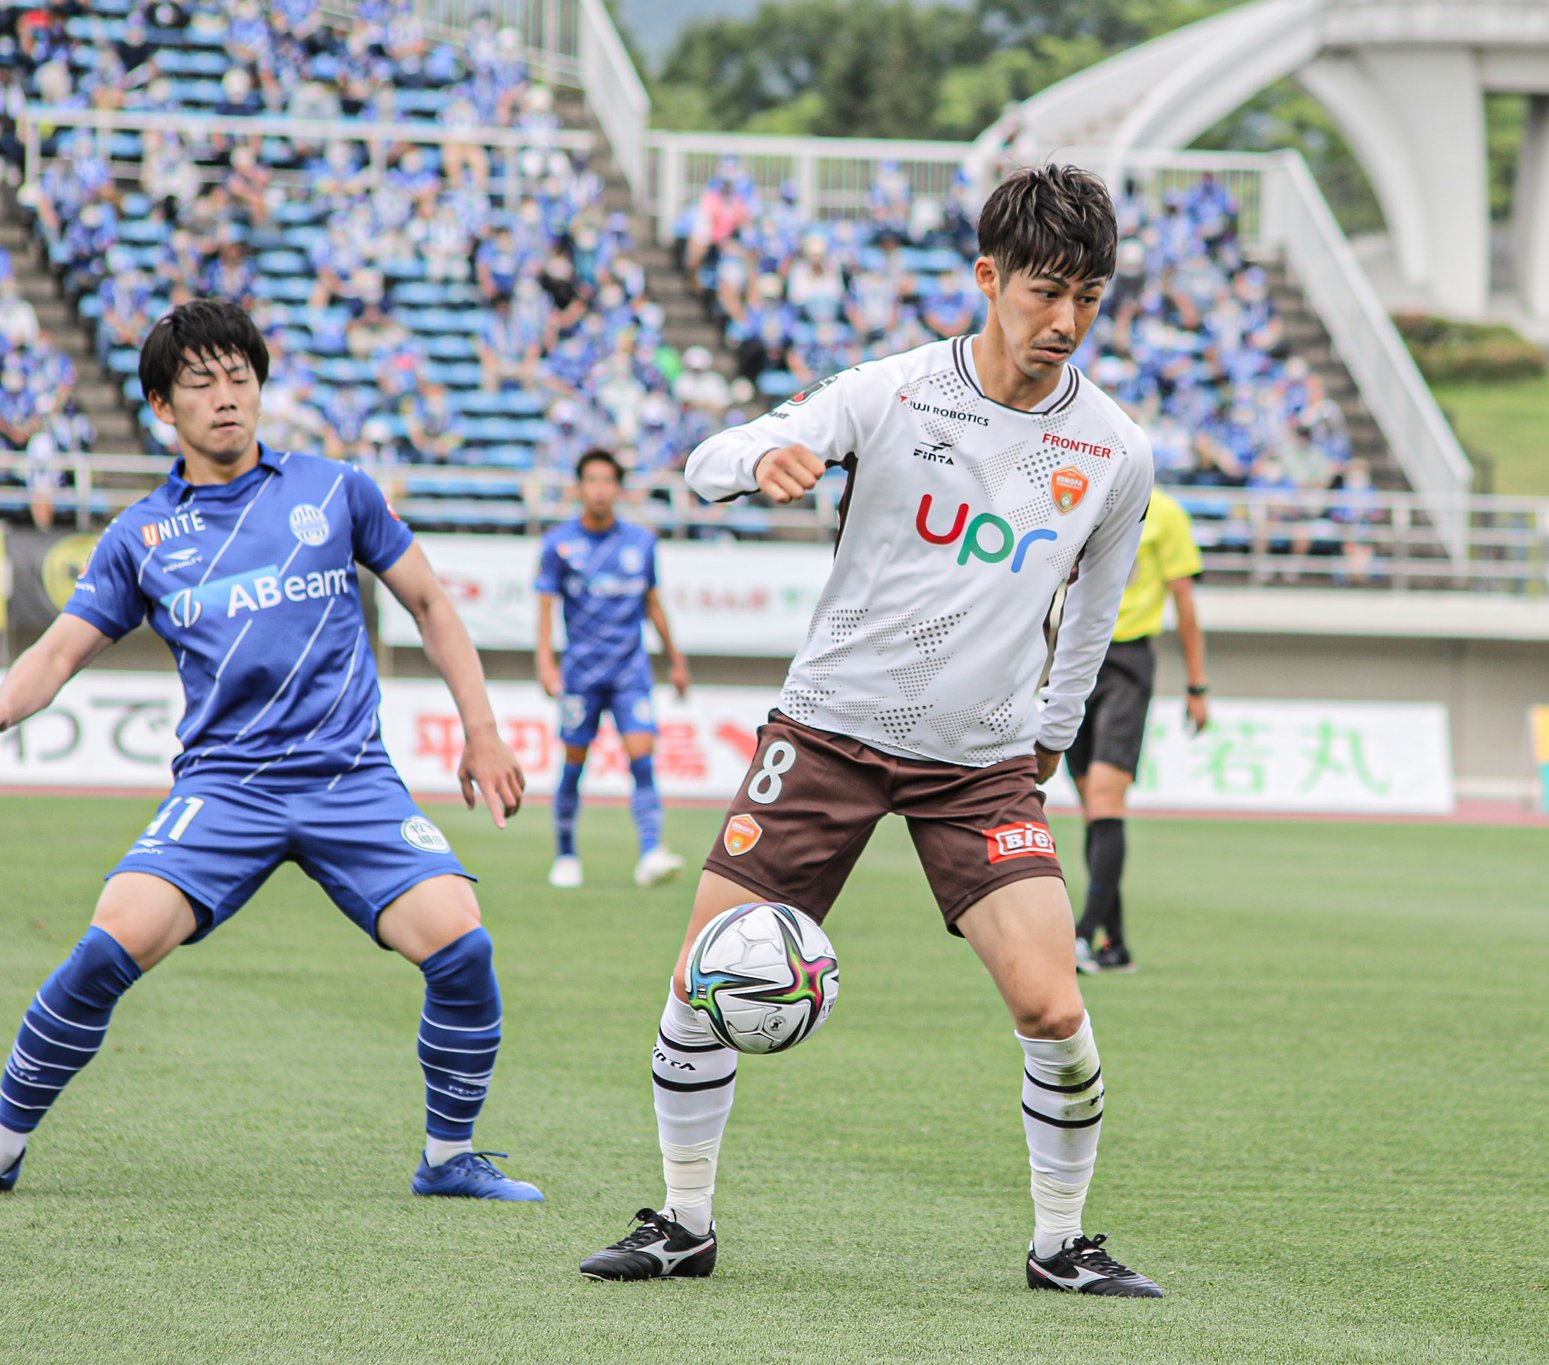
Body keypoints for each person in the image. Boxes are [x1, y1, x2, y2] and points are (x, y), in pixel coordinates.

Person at [577, 165, 1164, 1297]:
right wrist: (762, 461)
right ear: (987, 278)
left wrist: (1050, 732)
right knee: (703, 977)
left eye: (1088, 297)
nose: (1065, 320)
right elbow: (706, 461)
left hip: (979, 766)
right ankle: (683, 1221)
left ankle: (1060, 1244)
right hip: (829, 734)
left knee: (1052, 1004)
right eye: (1044, 291)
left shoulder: (1113, 449)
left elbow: (1093, 613)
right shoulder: (893, 391)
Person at [0, 300, 541, 1200]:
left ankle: (449, 1159)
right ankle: (4, 1142)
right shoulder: (140, 535)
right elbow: (54, 656)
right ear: (162, 406)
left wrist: (481, 730)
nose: (226, 397)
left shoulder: (335, 491)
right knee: (104, 948)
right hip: (226, 788)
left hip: (348, 779)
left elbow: (431, 603)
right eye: (200, 382)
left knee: (462, 947)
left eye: (240, 377)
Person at [535, 449, 691, 891]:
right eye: (592, 481)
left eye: (607, 481)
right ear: (579, 487)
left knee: (642, 757)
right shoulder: (558, 544)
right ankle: (566, 854)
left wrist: (676, 660)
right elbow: (545, 608)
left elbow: (653, 604)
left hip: (629, 672)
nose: (600, 490)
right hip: (581, 674)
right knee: (574, 763)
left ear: (618, 488)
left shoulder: (641, 543)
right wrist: (545, 663)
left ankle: (651, 852)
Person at [1069, 487, 1209, 973]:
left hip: (1126, 663)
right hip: (1074, 658)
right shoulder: (1081, 496)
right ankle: (1116, 944)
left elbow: (1184, 601)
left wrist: (1197, 684)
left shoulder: (1166, 513)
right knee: (1092, 808)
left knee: (1104, 801)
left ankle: (1082, 935)